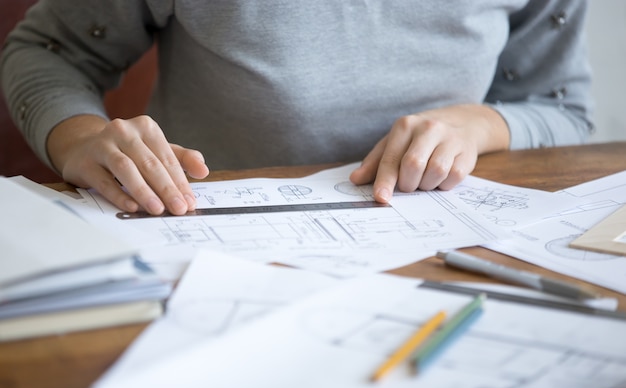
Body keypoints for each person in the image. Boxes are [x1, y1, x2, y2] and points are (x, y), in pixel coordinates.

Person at [1, 1, 593, 216]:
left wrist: (482, 123)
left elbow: (562, 109)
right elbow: (48, 52)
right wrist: (76, 136)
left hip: (443, 250)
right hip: (200, 236)